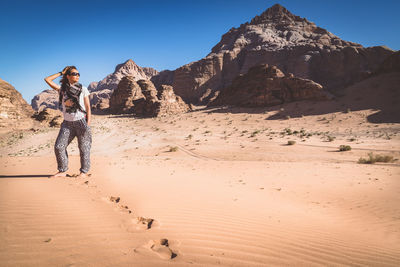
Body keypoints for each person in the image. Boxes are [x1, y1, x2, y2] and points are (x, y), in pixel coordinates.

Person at [44, 66, 92, 178]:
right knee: (59, 146)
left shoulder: (83, 89)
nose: (78, 75)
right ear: (68, 76)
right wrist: (61, 72)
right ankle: (62, 171)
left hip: (81, 121)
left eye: (78, 74)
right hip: (67, 123)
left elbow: (88, 107)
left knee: (84, 148)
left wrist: (88, 124)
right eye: (75, 73)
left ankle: (83, 172)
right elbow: (47, 79)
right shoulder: (62, 90)